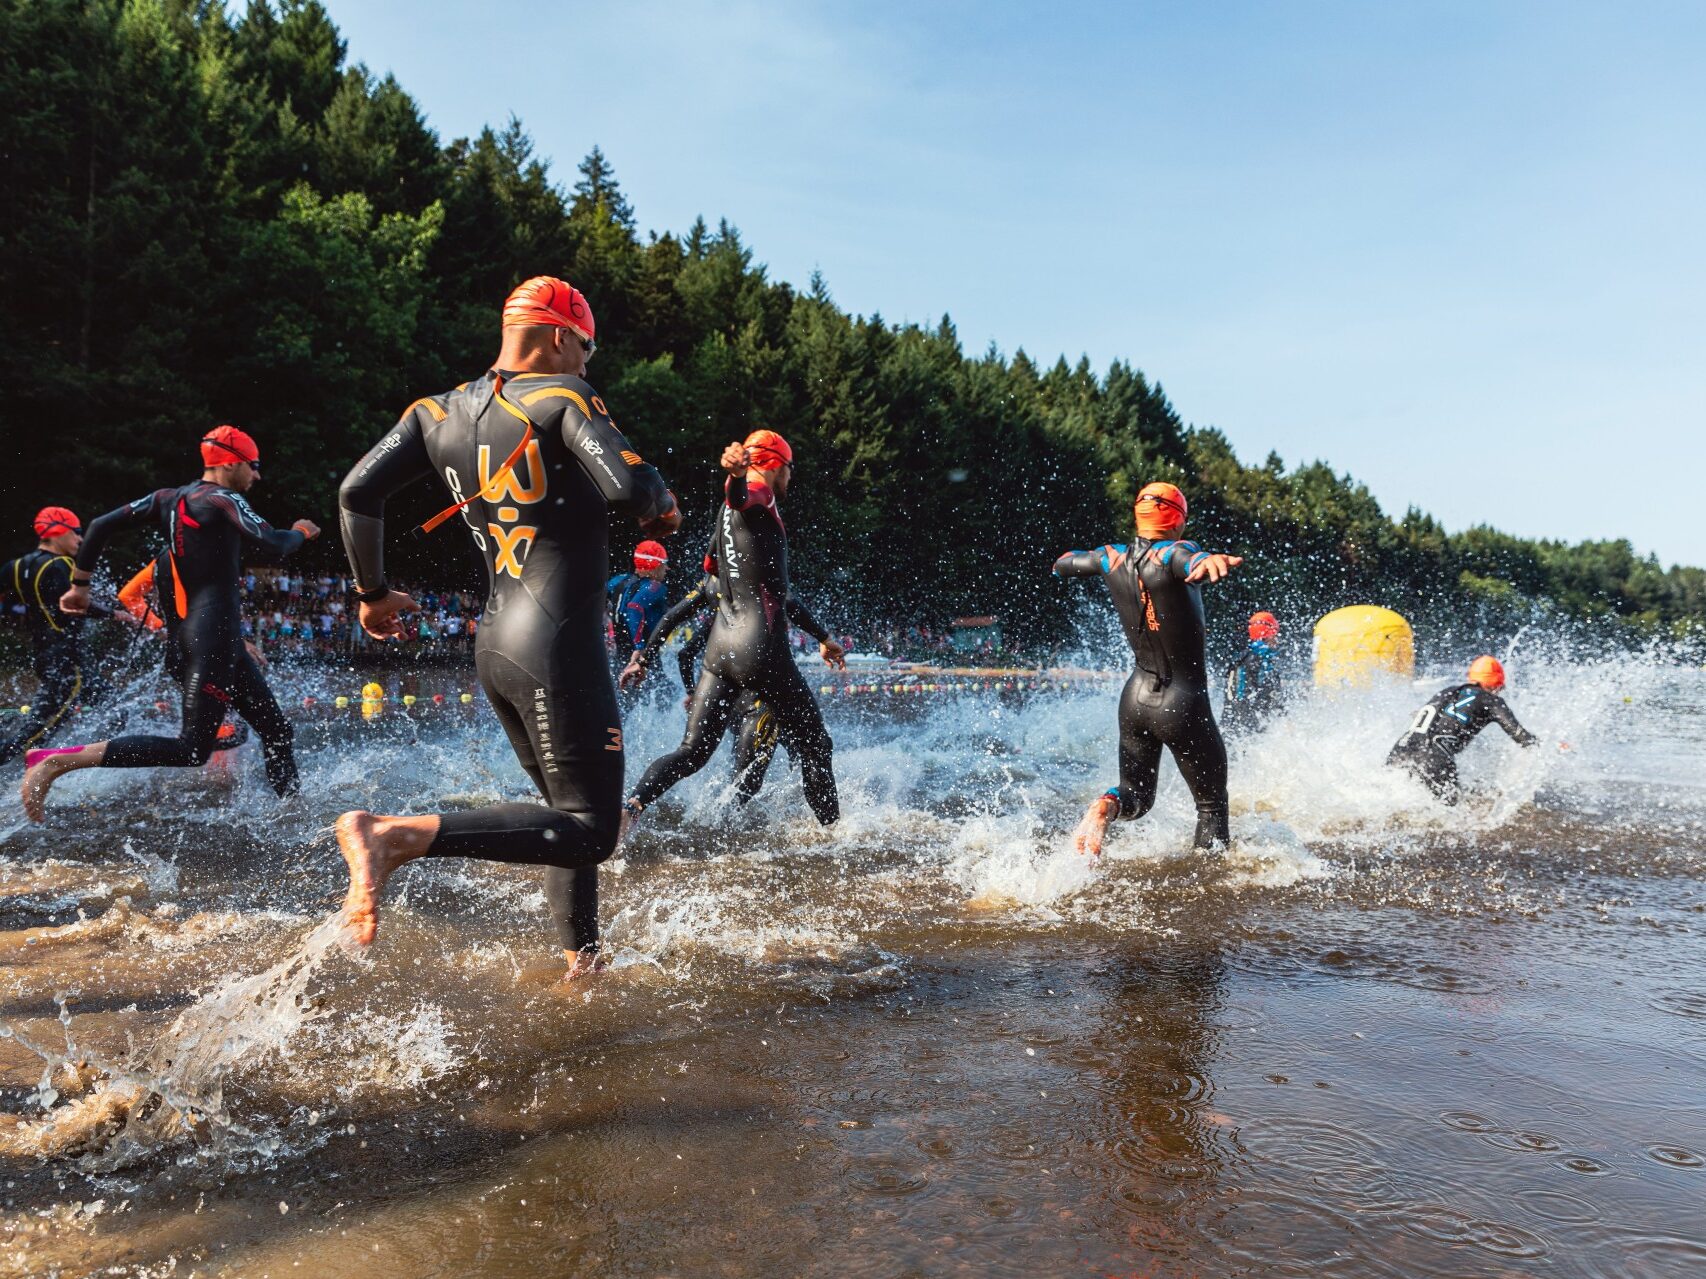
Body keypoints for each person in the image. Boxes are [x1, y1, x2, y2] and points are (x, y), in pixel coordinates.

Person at [331, 275, 681, 981]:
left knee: (564, 817)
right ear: (558, 337)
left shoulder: (436, 411)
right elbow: (629, 487)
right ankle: (395, 836)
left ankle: (582, 961)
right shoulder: (563, 395)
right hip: (558, 645)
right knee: (592, 828)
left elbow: (356, 490)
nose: (588, 364)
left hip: (496, 644)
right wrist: (662, 505)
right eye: (586, 349)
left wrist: (371, 593)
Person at [20, 427, 318, 819]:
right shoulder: (222, 498)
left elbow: (98, 526)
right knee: (192, 749)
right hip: (210, 644)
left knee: (277, 731)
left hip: (214, 642)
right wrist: (301, 531)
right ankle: (58, 763)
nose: (257, 476)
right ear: (231, 462)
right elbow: (276, 543)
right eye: (254, 466)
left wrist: (80, 587)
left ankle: (293, 814)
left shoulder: (167, 499)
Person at [623, 431, 842, 834]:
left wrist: (643, 657)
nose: (791, 478)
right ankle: (834, 836)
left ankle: (631, 809)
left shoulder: (725, 523)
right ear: (775, 462)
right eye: (790, 469)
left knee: (692, 751)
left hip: (720, 652)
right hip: (763, 651)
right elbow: (743, 496)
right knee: (816, 745)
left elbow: (710, 568)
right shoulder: (758, 492)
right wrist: (738, 478)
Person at [1053, 481, 1243, 856]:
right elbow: (1186, 560)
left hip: (1135, 698)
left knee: (1136, 795)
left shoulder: (1110, 557)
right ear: (1177, 522)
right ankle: (1214, 890)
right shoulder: (1178, 550)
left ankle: (1106, 804)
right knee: (1211, 806)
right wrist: (1205, 561)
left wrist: (1078, 560)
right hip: (1183, 702)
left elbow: (1063, 564)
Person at [620, 570, 843, 801]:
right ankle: (817, 826)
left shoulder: (714, 592)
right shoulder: (762, 578)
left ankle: (636, 805)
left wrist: (685, 687)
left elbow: (679, 640)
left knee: (700, 757)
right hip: (761, 701)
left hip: (726, 697)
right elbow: (791, 604)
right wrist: (824, 638)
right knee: (766, 772)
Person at [0, 508, 117, 765]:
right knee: (37, 732)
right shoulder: (62, 565)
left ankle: (98, 760)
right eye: (76, 533)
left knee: (112, 706)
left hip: (46, 656)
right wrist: (117, 615)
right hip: (68, 664)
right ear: (57, 532)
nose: (80, 540)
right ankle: (14, 761)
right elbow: (78, 603)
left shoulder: (16, 566)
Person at [1386, 655, 1536, 804]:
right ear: (1496, 685)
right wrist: (1547, 746)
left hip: (1401, 749)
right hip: (1433, 756)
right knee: (1451, 811)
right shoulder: (1491, 700)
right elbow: (1520, 736)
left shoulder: (1448, 691)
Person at [1222, 610, 1285, 736]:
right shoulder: (1257, 659)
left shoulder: (1246, 656)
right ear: (1268, 633)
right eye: (1275, 633)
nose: (1277, 638)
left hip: (1232, 726)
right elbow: (1242, 699)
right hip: (1242, 729)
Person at [607, 539, 671, 659]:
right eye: (664, 563)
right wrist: (639, 647)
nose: (667, 568)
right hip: (641, 656)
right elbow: (634, 607)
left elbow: (595, 598)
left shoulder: (618, 581)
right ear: (655, 566)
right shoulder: (655, 587)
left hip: (620, 655)